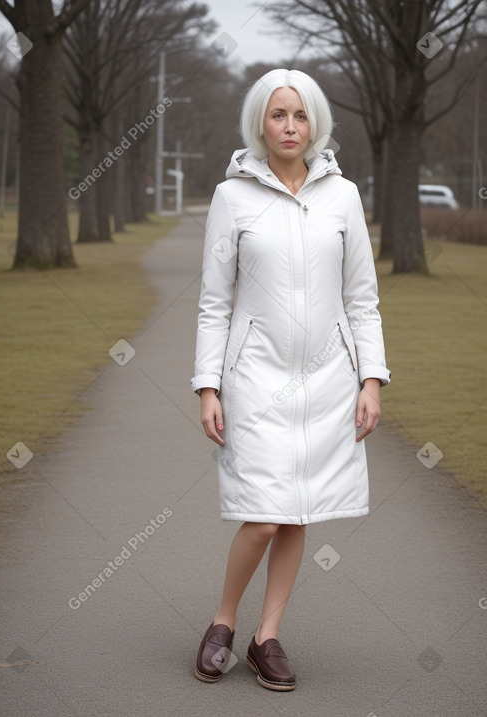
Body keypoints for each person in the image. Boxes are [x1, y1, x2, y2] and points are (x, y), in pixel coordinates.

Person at [190, 68, 391, 692]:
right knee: (265, 515)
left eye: (300, 116)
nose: (289, 127)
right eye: (278, 115)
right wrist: (208, 385)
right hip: (253, 380)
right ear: (260, 122)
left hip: (329, 381)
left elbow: (362, 298)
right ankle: (223, 622)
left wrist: (371, 379)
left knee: (297, 509)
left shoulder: (344, 196)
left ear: (315, 124)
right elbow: (213, 303)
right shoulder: (233, 198)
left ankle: (266, 636)